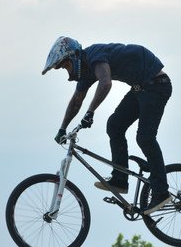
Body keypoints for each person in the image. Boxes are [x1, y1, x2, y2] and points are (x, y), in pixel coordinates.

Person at [42, 36, 173, 214]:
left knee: (145, 137)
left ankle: (161, 192)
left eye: (66, 66)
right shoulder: (86, 72)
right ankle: (120, 179)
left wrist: (90, 112)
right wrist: (62, 128)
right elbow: (76, 101)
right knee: (114, 125)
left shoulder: (94, 56)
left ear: (74, 57)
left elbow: (106, 83)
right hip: (140, 89)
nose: (67, 71)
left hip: (157, 85)